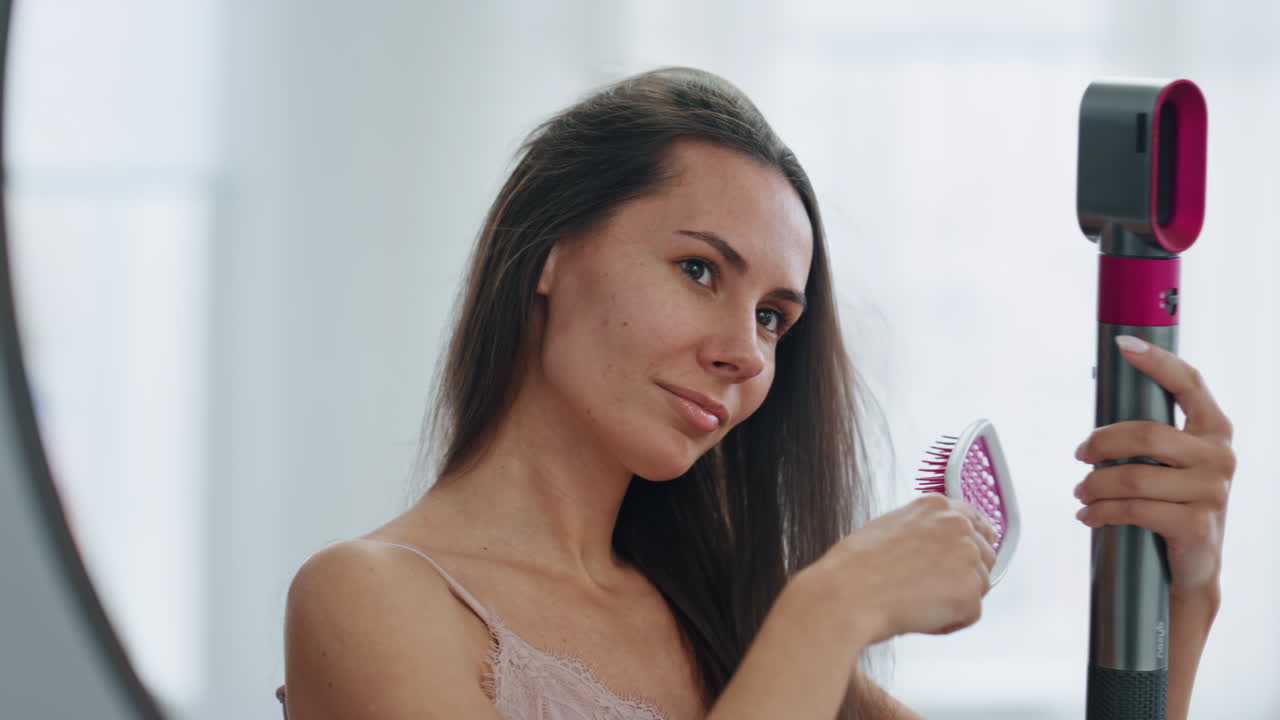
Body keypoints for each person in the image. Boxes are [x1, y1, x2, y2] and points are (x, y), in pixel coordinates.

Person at [279, 67, 1235, 720]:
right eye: (699, 270)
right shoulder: (372, 600)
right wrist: (831, 610)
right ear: (550, 255)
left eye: (776, 317)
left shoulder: (727, 618)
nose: (745, 351)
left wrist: (1178, 592)